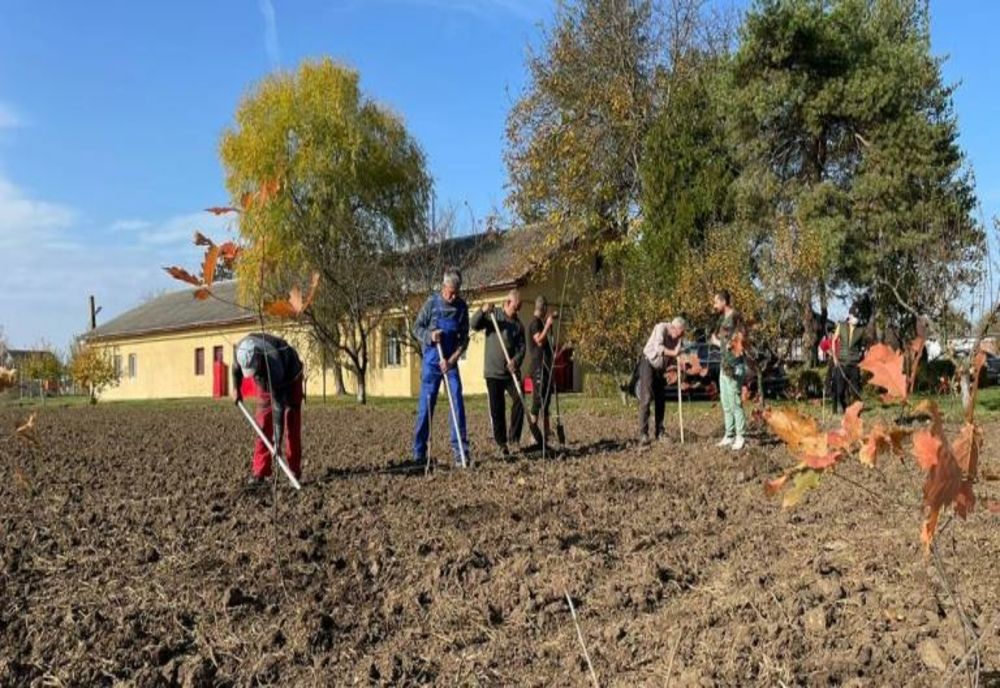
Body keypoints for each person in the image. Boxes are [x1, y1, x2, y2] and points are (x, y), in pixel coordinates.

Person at [412, 268, 471, 467]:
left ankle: (461, 452)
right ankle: (419, 453)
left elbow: (464, 340)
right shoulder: (431, 303)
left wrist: (451, 361)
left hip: (450, 362)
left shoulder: (461, 308)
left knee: (457, 400)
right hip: (431, 362)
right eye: (451, 292)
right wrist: (430, 336)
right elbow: (416, 328)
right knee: (426, 406)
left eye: (457, 292)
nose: (454, 297)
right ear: (444, 286)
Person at [233, 333, 304, 487]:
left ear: (258, 357)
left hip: (291, 376)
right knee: (263, 423)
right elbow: (235, 368)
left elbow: (278, 406)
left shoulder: (274, 363)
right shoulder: (240, 349)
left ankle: (294, 471)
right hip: (265, 379)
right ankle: (260, 471)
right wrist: (236, 388)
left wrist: (277, 442)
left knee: (291, 419)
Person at [471, 289, 526, 457]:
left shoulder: (518, 325)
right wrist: (482, 310)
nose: (517, 312)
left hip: (510, 373)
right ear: (508, 303)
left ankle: (514, 439)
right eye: (515, 308)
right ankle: (501, 443)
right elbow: (474, 324)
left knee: (520, 398)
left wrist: (515, 361)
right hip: (493, 372)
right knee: (498, 408)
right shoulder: (493, 316)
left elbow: (522, 348)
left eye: (519, 308)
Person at [638, 317, 686, 444]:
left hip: (661, 369)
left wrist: (680, 361)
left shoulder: (678, 338)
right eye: (680, 333)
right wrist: (674, 353)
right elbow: (659, 349)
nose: (680, 337)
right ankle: (643, 434)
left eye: (682, 335)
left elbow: (679, 353)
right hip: (648, 364)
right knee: (646, 398)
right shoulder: (661, 328)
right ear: (675, 328)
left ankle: (660, 432)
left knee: (661, 400)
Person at [711, 290, 747, 451]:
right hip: (724, 366)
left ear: (724, 302)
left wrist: (722, 344)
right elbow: (725, 342)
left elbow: (741, 340)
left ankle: (740, 436)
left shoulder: (735, 317)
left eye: (716, 302)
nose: (714, 305)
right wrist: (717, 341)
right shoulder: (722, 319)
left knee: (735, 403)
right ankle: (729, 435)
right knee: (726, 402)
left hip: (734, 366)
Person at [821, 303, 866, 414]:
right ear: (850, 316)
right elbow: (834, 340)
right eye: (855, 316)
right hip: (841, 363)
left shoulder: (861, 330)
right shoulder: (841, 326)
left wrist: (861, 357)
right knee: (840, 391)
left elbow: (862, 346)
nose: (857, 319)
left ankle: (856, 412)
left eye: (858, 317)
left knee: (855, 390)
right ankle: (844, 408)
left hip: (854, 363)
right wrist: (834, 357)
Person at [527, 295, 558, 442]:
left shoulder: (541, 322)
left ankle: (546, 431)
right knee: (538, 400)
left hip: (546, 365)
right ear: (543, 307)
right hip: (538, 366)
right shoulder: (534, 323)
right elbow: (539, 340)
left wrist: (549, 321)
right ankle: (533, 434)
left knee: (546, 400)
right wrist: (547, 325)